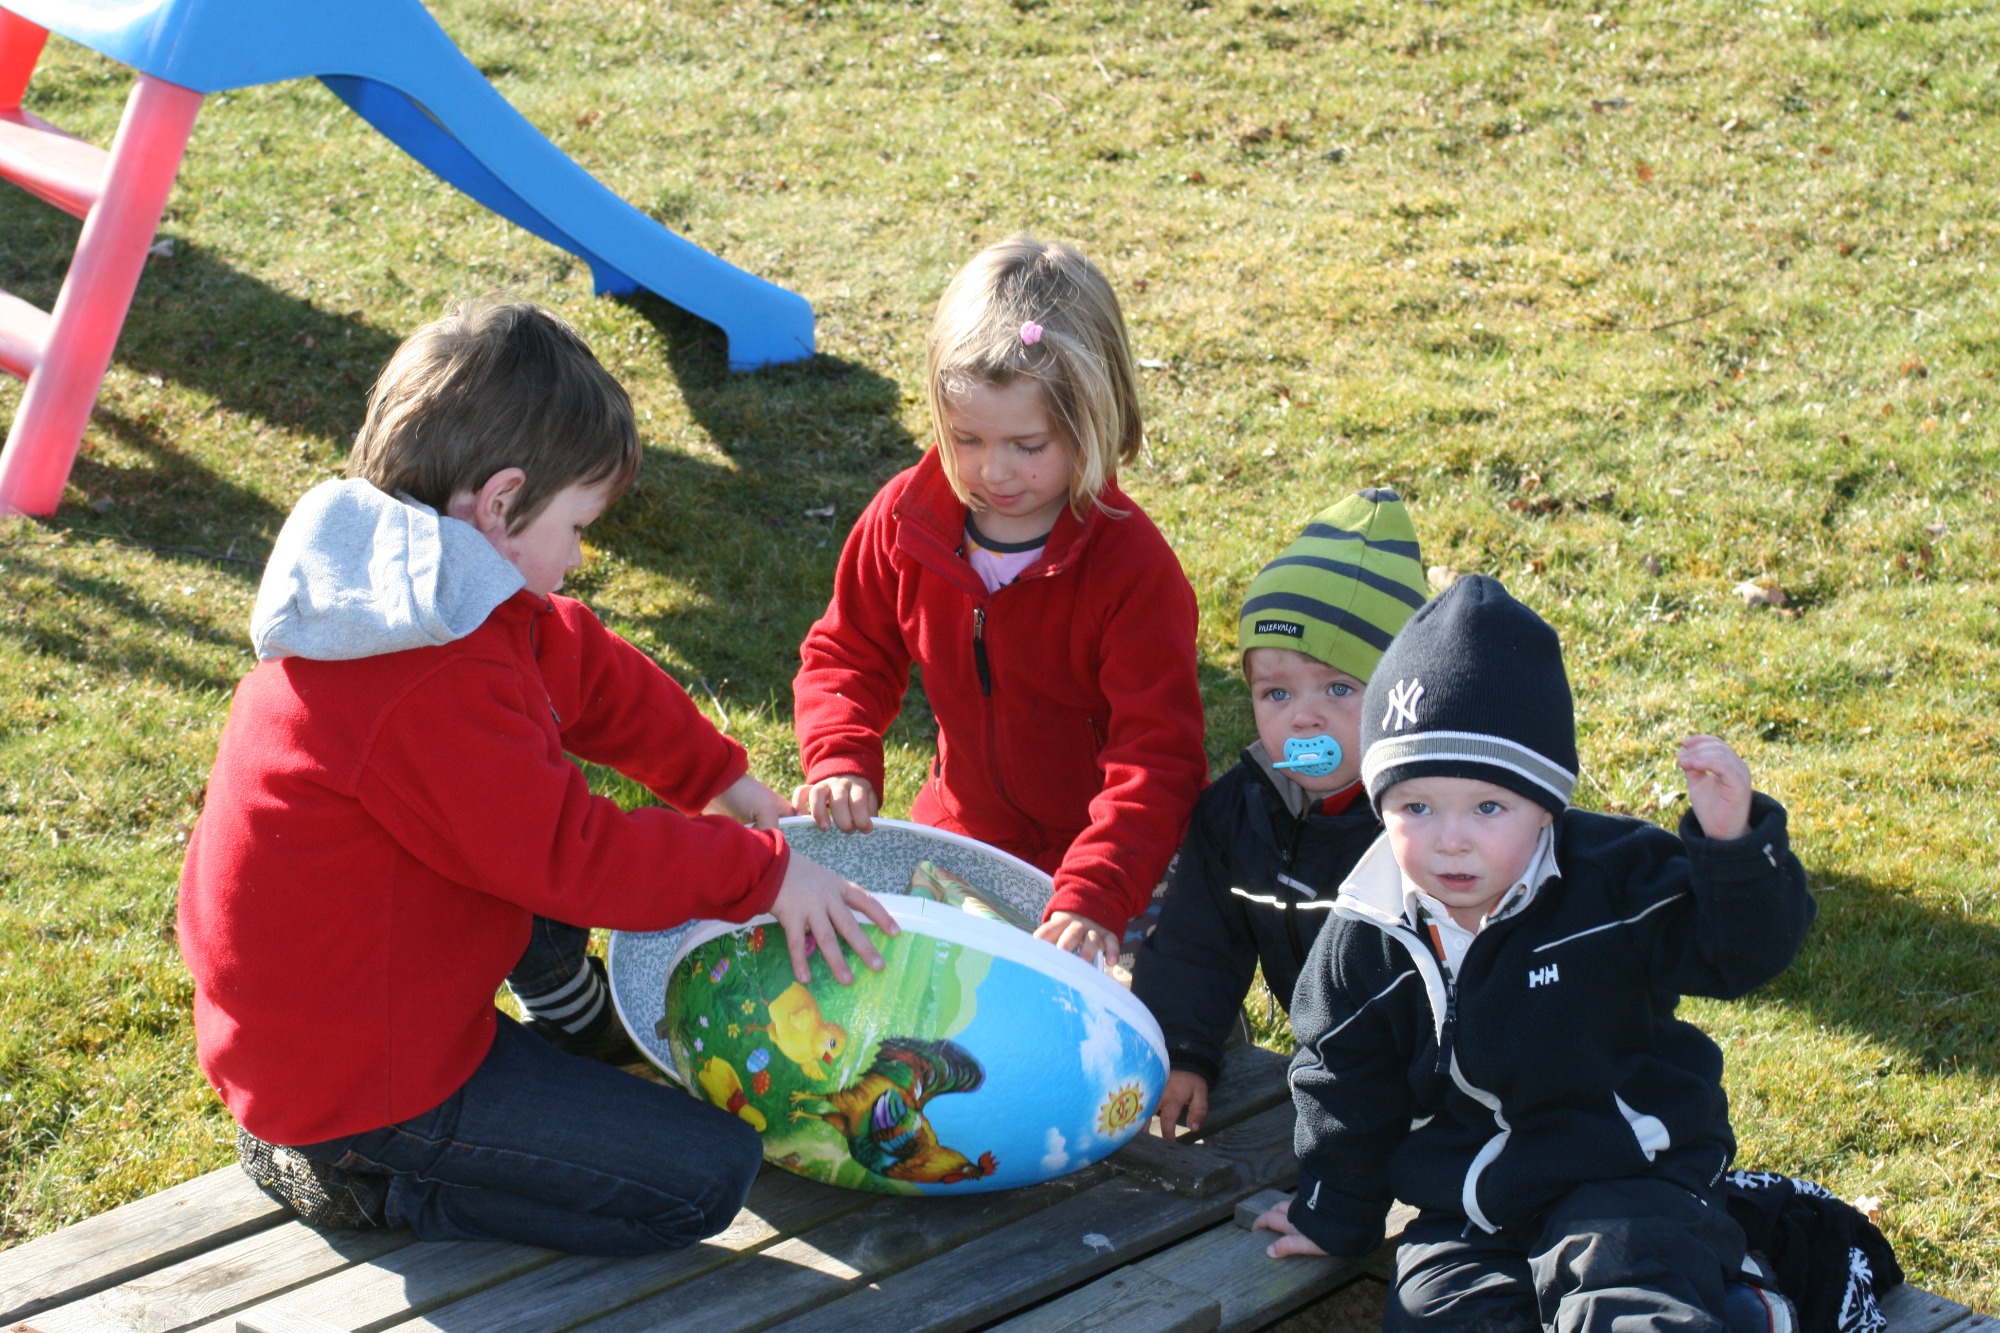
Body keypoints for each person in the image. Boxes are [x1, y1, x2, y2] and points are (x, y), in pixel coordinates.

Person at [178, 299, 896, 1254]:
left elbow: (583, 667)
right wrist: (762, 872)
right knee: (705, 1176)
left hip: (348, 1022)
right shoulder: (426, 680)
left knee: (519, 788)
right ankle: (366, 1181)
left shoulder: (419, 583)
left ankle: (558, 1020)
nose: (580, 554)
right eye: (578, 524)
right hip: (364, 1089)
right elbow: (573, 853)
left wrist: (719, 780)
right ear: (502, 502)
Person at [1253, 574, 1816, 1331]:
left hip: (1627, 1171)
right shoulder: (1368, 930)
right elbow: (1342, 1084)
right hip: (1472, 1197)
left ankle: (1740, 1297)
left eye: (1489, 806)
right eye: (1417, 806)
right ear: (1381, 805)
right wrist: (1336, 1212)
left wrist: (1734, 849)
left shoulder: (1612, 879)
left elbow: (1739, 955)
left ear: (1546, 806)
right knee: (1429, 1311)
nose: (1452, 839)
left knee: (1623, 1285)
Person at [791, 236, 1208, 963]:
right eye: (967, 438)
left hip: (1106, 865)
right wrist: (840, 756)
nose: (993, 471)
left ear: (1093, 421)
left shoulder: (1130, 567)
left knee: (1130, 1011)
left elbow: (1158, 754)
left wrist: (1097, 889)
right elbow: (847, 651)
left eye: (1028, 445)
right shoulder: (907, 522)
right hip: (962, 839)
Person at [1131, 489, 1427, 1139]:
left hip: (1434, 1077)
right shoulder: (1237, 815)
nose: (1304, 717)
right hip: (1330, 1071)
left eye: (1339, 688)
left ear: (1401, 695)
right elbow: (1196, 944)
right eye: (1276, 692)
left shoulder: (1427, 821)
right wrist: (1182, 1050)